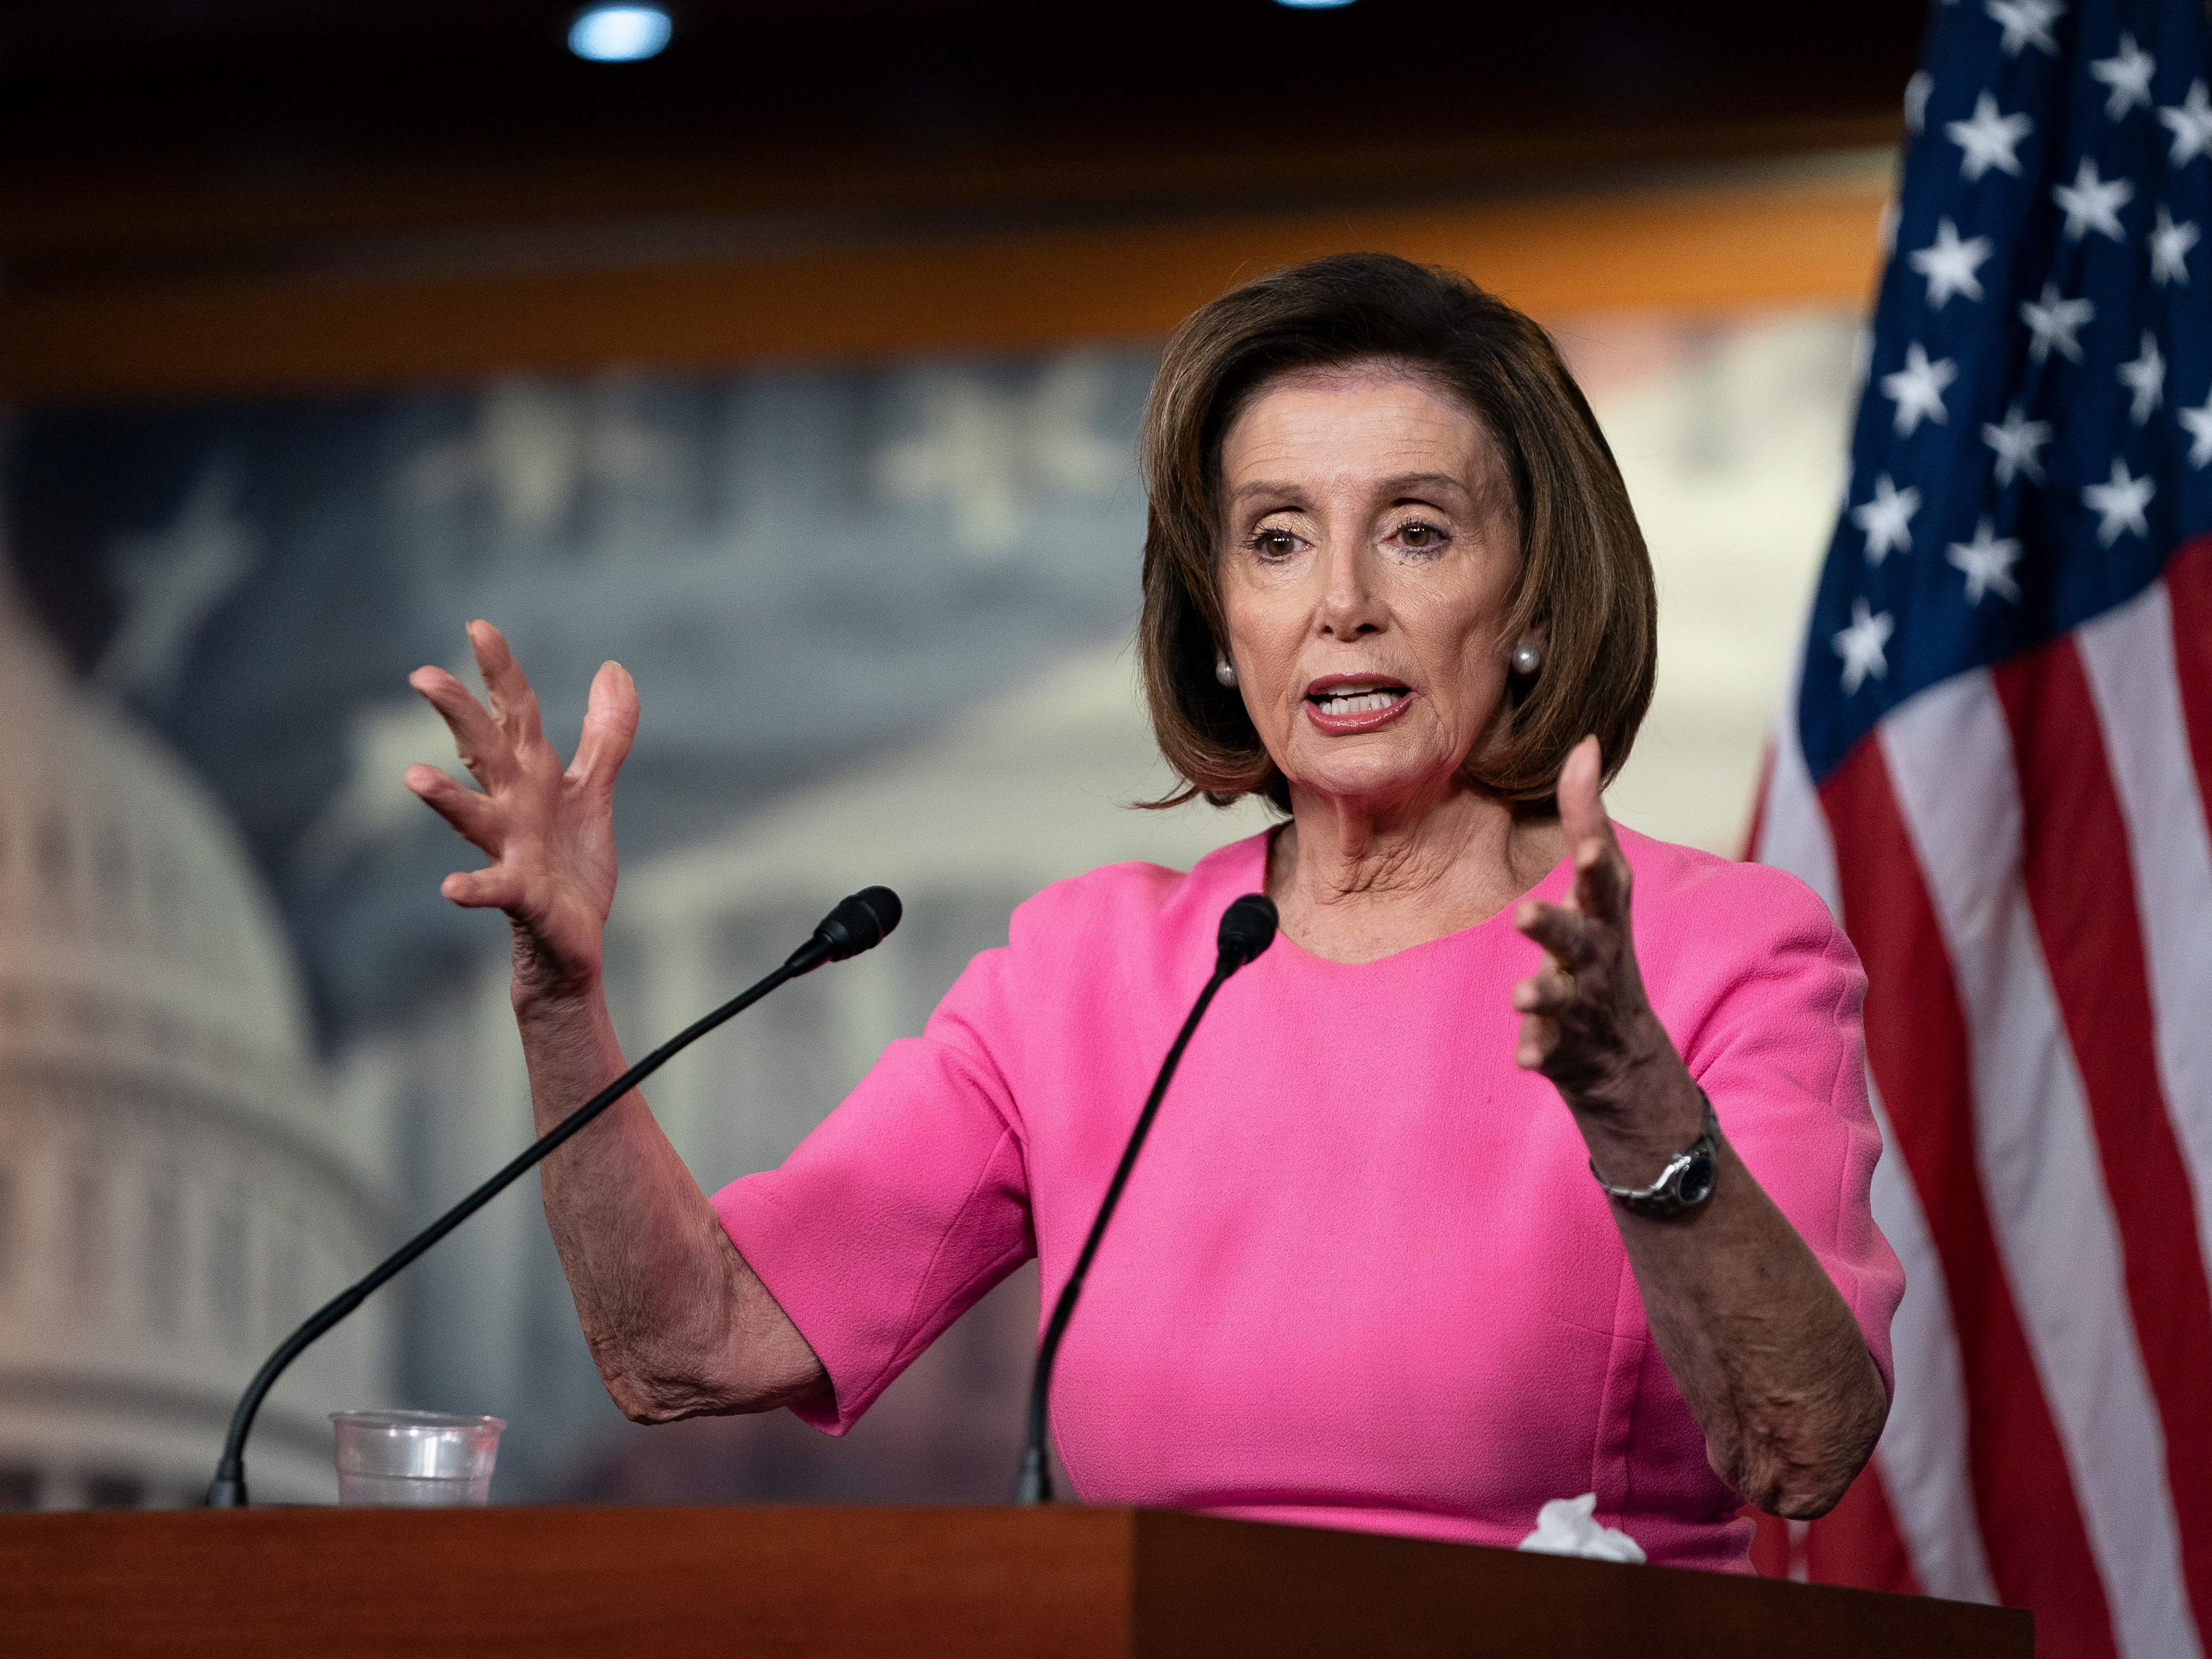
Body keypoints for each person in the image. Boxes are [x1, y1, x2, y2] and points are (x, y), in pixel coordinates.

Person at [405, 253, 1899, 1569]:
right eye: (1277, 539)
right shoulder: (1093, 972)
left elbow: (1802, 1443)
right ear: (1220, 616)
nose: (1343, 602)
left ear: (1538, 603)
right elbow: (694, 1339)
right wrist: (560, 995)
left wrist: (1638, 1102)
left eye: (1420, 531)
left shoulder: (1717, 953)